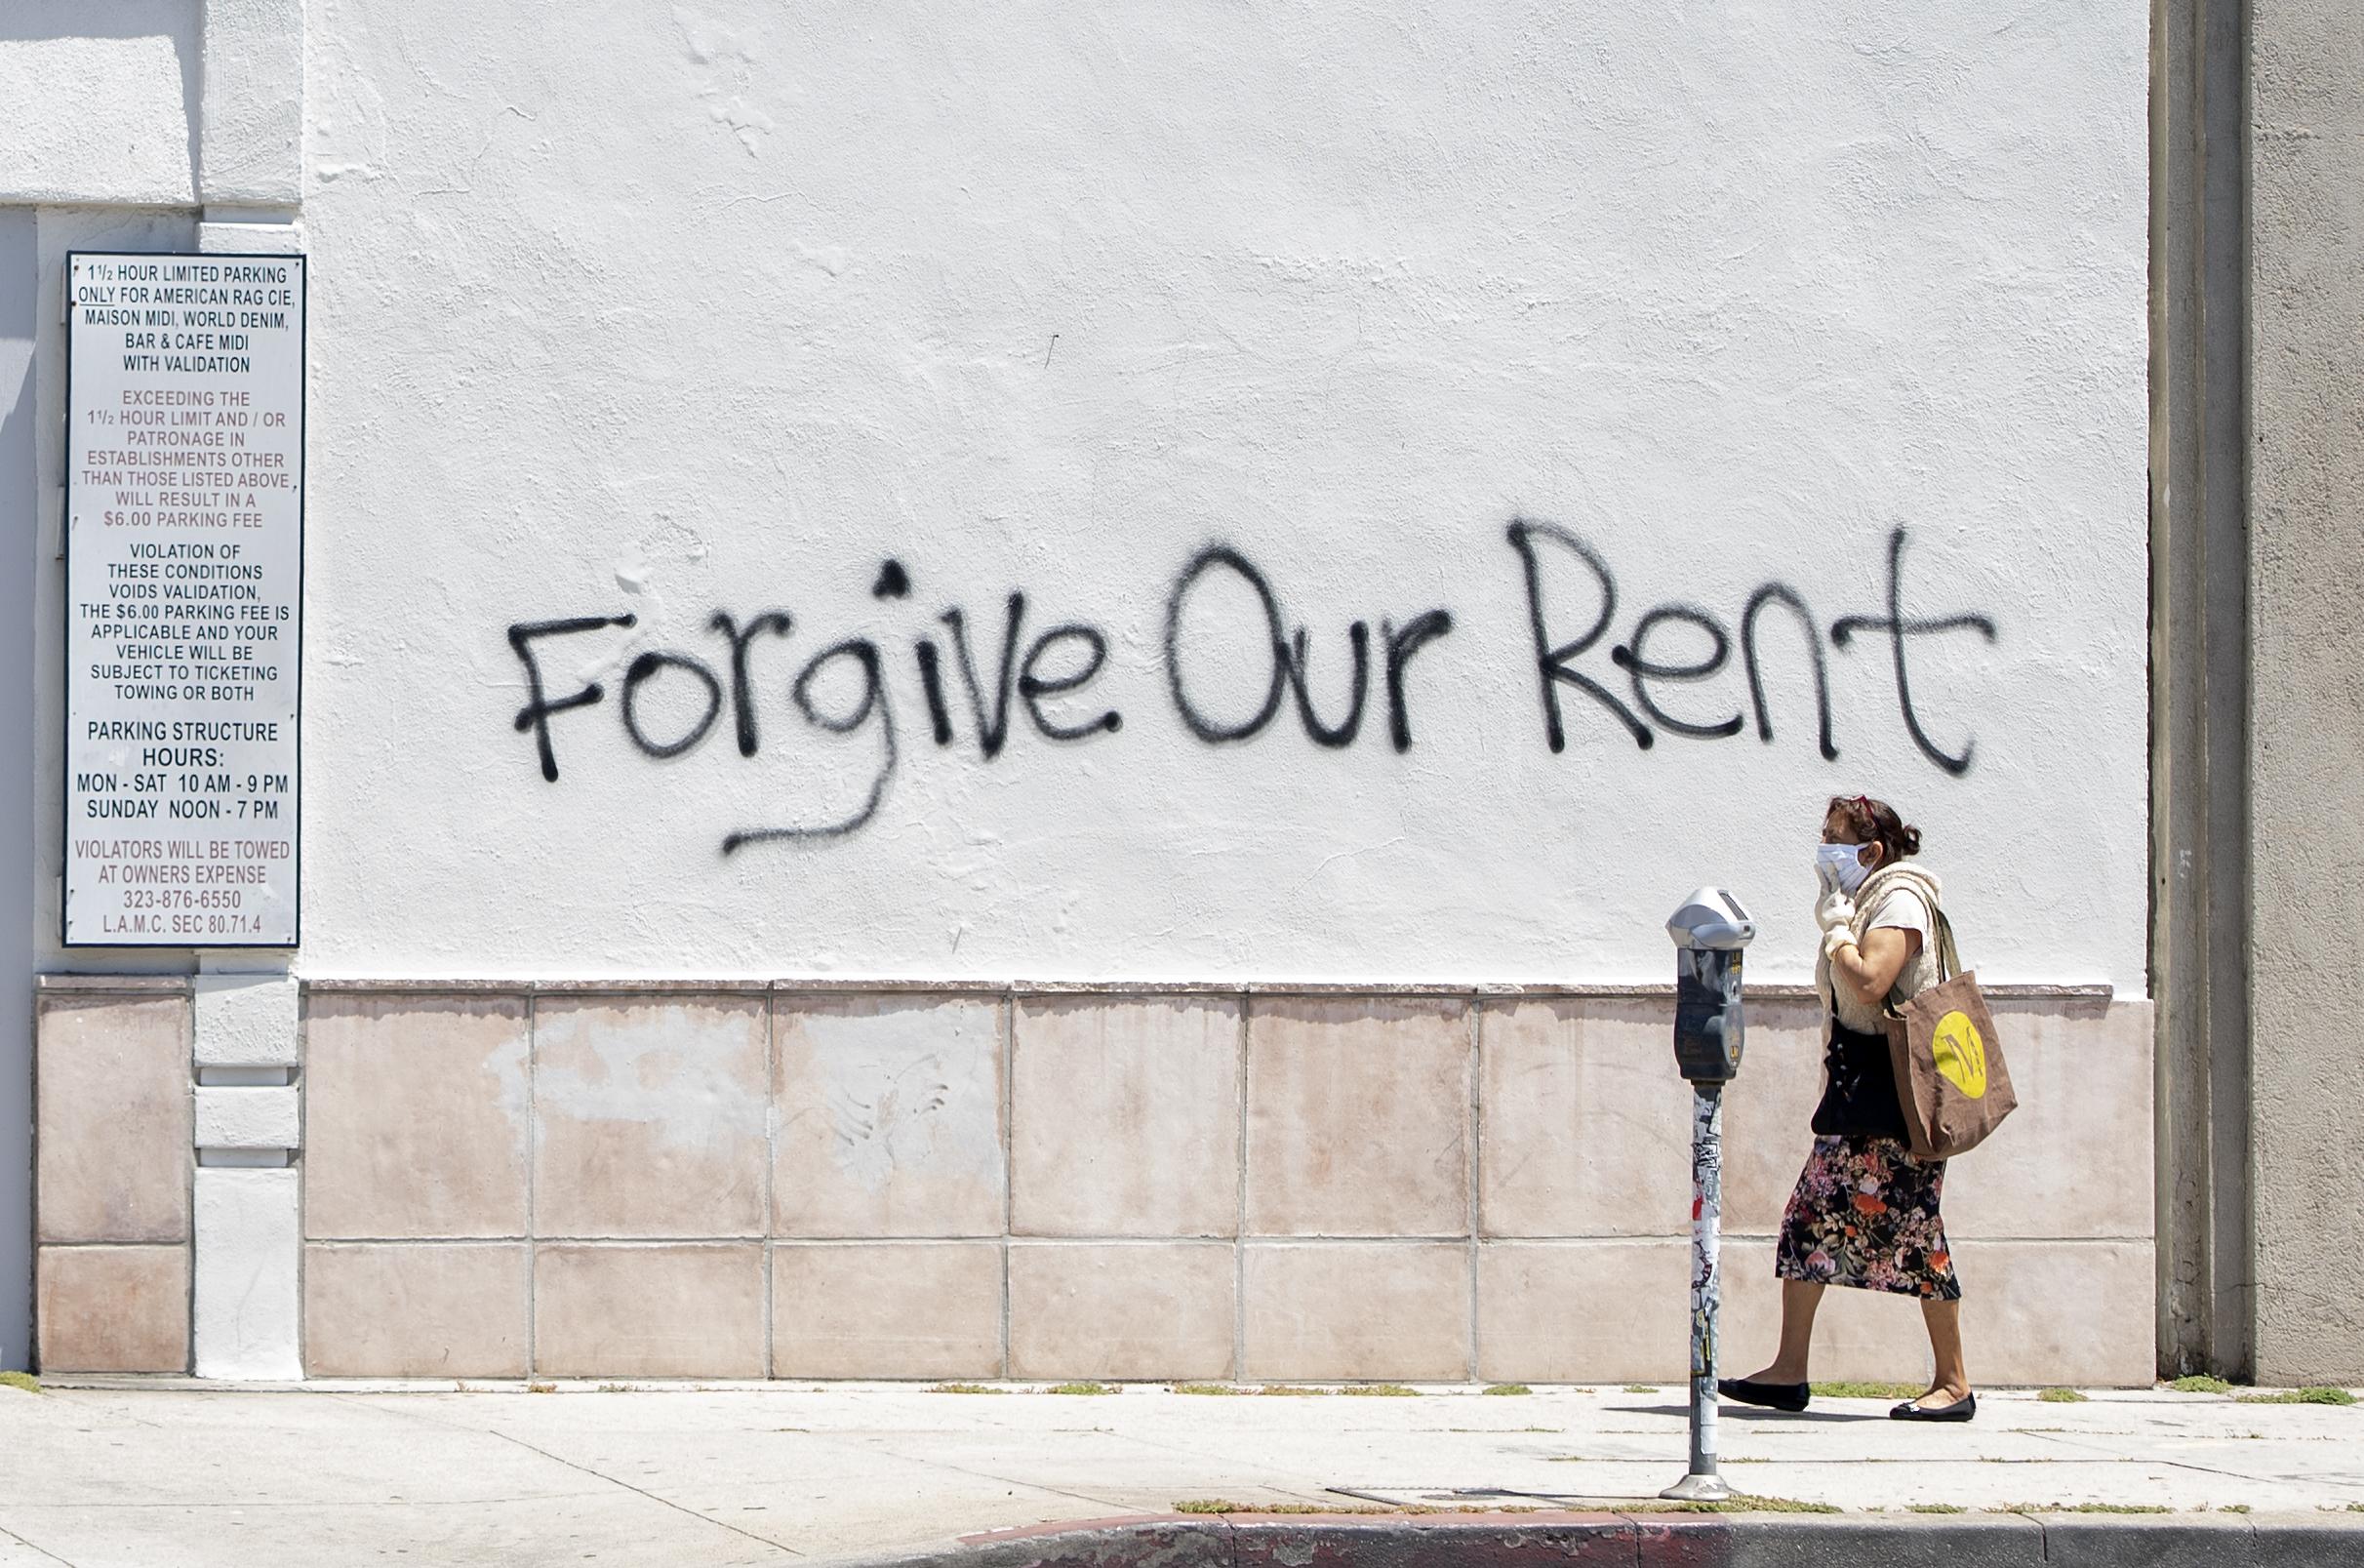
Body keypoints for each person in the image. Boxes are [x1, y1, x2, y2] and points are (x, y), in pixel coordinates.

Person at [1719, 793, 1974, 1422]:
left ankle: (1954, 1383)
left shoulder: (1900, 899)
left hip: (1892, 1098)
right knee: (1811, 1223)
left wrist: (1835, 931)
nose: (1824, 847)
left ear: (1873, 851)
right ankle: (1789, 1371)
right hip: (1860, 1088)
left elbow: (1869, 982)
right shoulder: (1869, 897)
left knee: (1917, 1235)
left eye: (1835, 837)